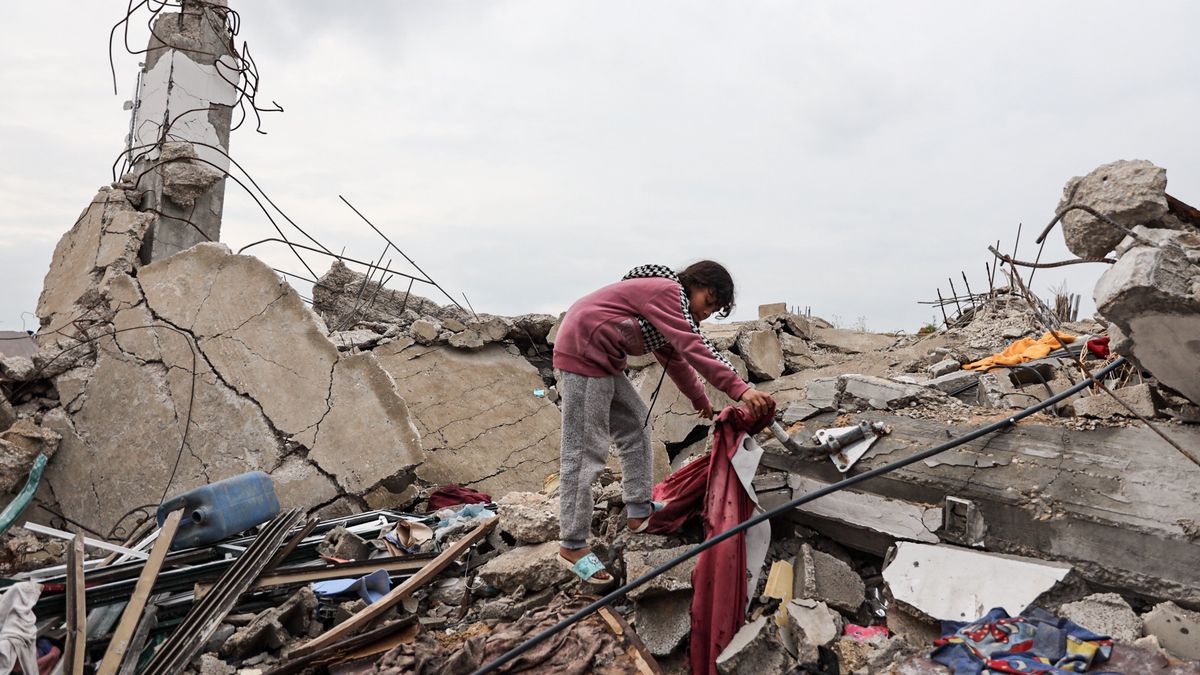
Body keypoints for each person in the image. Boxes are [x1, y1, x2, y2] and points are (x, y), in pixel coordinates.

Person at [551, 261, 776, 584]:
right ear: (694, 284)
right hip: (584, 352)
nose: (706, 314)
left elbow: (677, 359)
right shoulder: (668, 293)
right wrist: (740, 389)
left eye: (714, 311)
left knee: (636, 427)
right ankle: (572, 545)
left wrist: (700, 400)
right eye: (707, 302)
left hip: (604, 359)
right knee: (585, 451)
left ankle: (639, 511)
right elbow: (694, 346)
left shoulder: (667, 310)